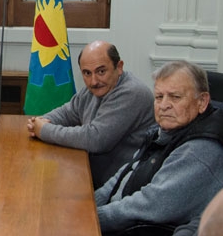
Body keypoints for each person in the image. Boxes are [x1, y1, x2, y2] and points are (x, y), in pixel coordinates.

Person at [96, 61, 223, 236]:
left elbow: (148, 205)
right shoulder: (165, 131)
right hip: (118, 230)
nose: (164, 105)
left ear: (202, 102)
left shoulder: (199, 150)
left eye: (175, 97)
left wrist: (90, 219)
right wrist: (87, 205)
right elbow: (125, 175)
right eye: (159, 97)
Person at [27, 41, 155, 188]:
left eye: (101, 71)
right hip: (90, 176)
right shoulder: (96, 89)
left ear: (119, 67)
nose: (94, 81)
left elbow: (95, 138)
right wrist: (40, 121)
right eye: (87, 73)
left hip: (118, 190)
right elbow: (68, 112)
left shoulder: (131, 92)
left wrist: (43, 130)